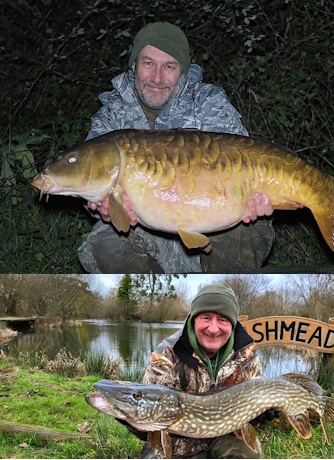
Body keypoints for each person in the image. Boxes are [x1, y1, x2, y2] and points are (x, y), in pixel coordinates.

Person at [77, 22, 275, 274]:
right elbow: (92, 185)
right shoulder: (110, 118)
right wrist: (101, 206)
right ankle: (160, 301)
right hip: (151, 236)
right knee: (103, 244)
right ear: (134, 64)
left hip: (214, 228)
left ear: (182, 70)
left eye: (169, 66)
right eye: (148, 63)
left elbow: (243, 160)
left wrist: (255, 197)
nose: (157, 78)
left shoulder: (207, 101)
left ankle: (217, 294)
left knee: (250, 226)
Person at [118, 283, 280, 458]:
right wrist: (129, 418)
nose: (213, 328)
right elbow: (152, 421)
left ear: (233, 324)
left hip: (225, 437)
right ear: (193, 318)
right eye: (206, 317)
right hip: (178, 443)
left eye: (223, 320)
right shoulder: (167, 355)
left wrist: (258, 417)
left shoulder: (246, 355)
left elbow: (247, 416)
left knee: (246, 453)